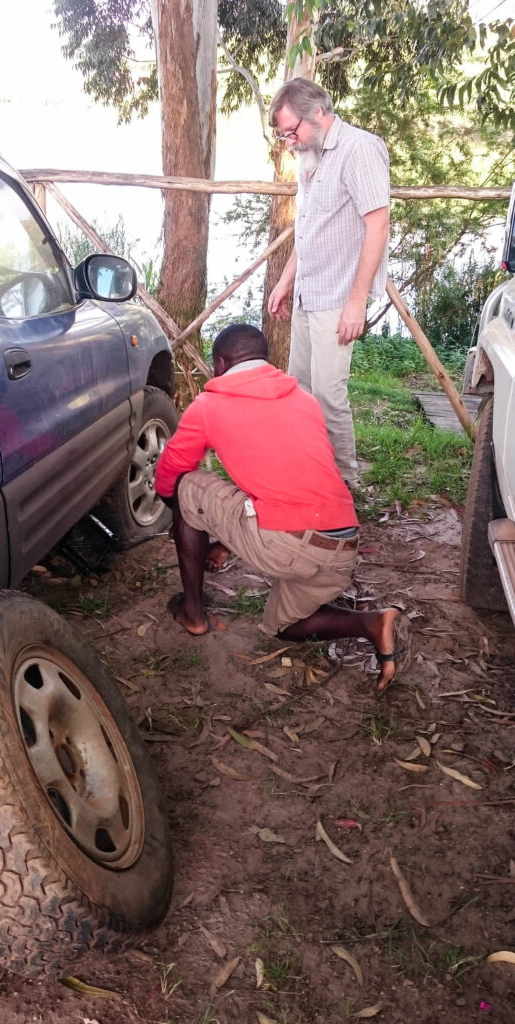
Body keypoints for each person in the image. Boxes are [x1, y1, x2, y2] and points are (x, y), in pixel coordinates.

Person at [154, 323, 410, 694]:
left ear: (221, 363)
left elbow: (169, 477)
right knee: (282, 626)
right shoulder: (303, 399)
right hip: (341, 547)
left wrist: (181, 519)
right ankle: (373, 624)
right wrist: (225, 537)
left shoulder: (209, 406)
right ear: (264, 361)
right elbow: (285, 477)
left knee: (188, 486)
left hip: (287, 545)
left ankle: (193, 613)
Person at [266, 79, 390, 487]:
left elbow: (377, 225)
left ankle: (344, 487)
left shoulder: (359, 150)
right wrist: (286, 281)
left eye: (292, 131)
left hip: (338, 296)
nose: (289, 141)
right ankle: (308, 476)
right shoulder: (310, 155)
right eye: (284, 134)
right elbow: (309, 229)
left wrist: (357, 303)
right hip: (308, 290)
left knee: (328, 397)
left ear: (317, 113)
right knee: (299, 390)